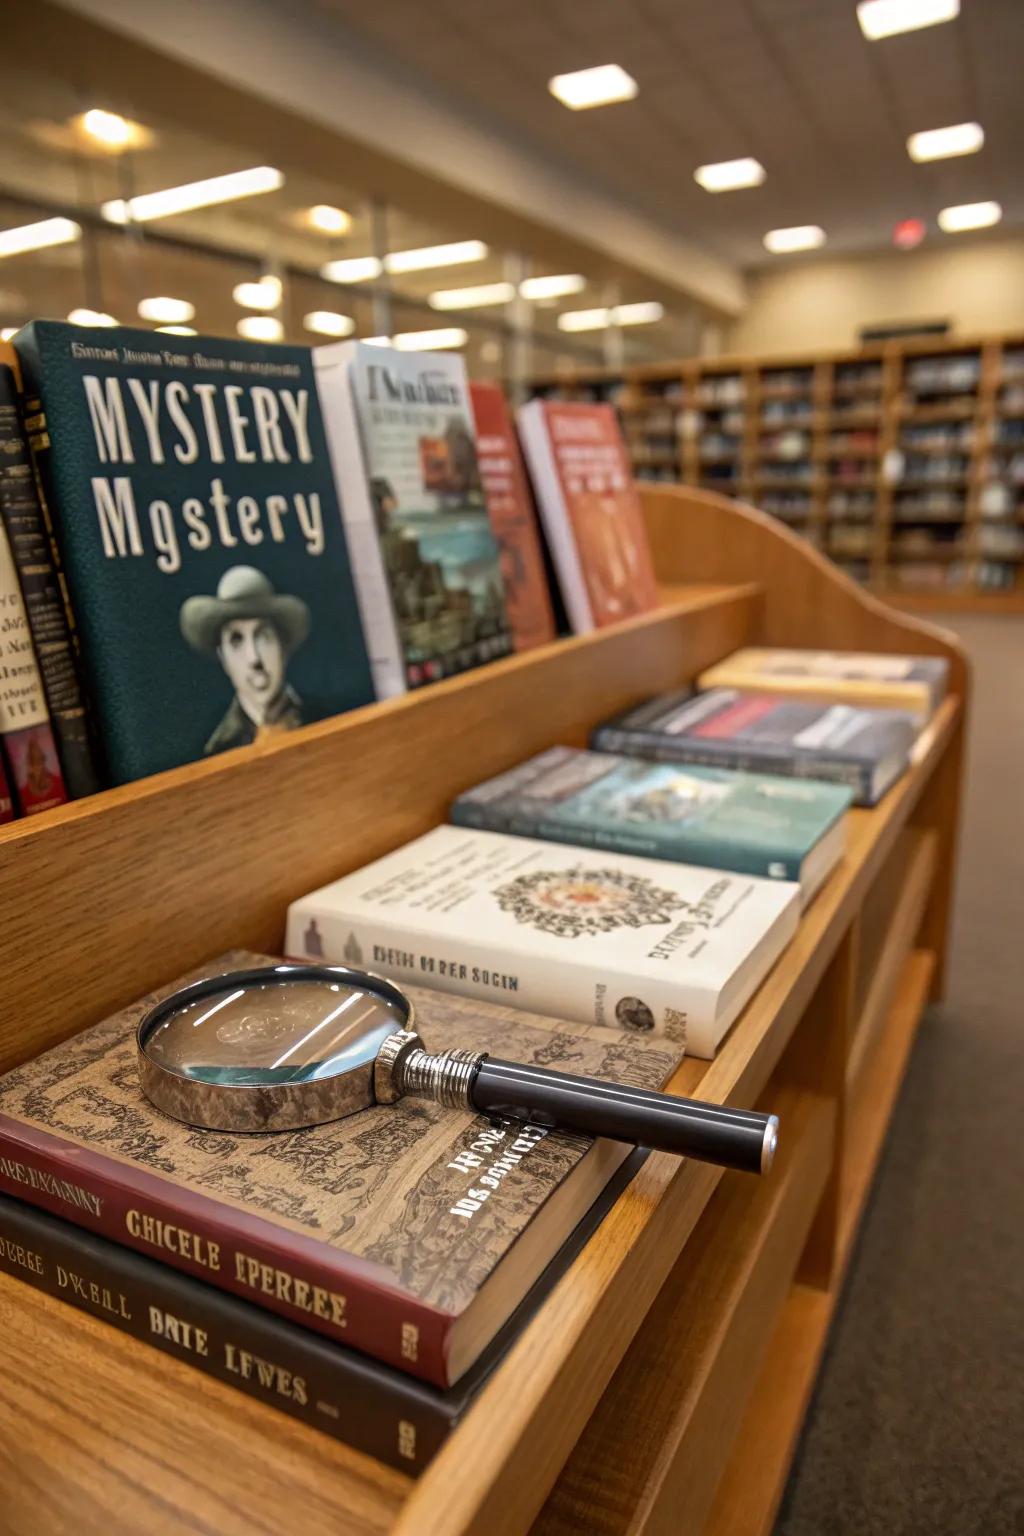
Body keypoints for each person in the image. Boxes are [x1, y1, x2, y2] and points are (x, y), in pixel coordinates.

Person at [179, 566, 311, 754]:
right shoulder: (216, 751)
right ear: (223, 658)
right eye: (236, 640)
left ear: (282, 647)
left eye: (263, 636)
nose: (254, 658)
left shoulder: (325, 718)